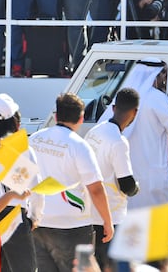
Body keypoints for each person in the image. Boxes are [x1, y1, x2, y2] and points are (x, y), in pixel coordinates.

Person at [29, 93, 114, 271]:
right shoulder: (79, 146)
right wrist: (107, 221)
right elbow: (96, 189)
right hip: (72, 226)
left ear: (56, 116)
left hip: (38, 223)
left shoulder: (34, 139)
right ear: (81, 118)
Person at [100, 58, 168, 209]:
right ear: (156, 75)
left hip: (127, 171)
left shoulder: (122, 97)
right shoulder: (158, 99)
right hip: (152, 172)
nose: (164, 80)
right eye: (163, 76)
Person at [84, 88, 140, 271]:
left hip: (89, 209)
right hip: (111, 215)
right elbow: (127, 184)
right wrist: (136, 188)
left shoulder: (95, 131)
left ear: (113, 108)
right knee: (110, 266)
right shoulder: (118, 141)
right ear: (135, 112)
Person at [0, 93, 44, 272]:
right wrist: (35, 218)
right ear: (15, 120)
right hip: (15, 219)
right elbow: (36, 189)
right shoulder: (22, 148)